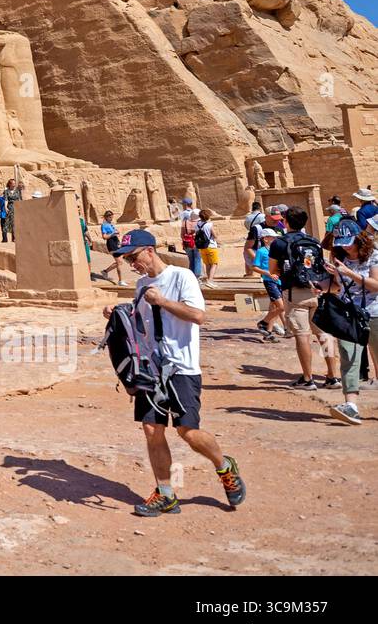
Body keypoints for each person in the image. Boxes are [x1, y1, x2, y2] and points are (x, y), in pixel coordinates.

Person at [104, 228, 247, 516]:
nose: (132, 265)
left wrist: (163, 301)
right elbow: (142, 325)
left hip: (182, 367)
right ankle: (166, 494)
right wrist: (120, 313)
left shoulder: (182, 277)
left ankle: (224, 466)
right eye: (128, 260)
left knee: (188, 432)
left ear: (149, 251)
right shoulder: (142, 285)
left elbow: (198, 316)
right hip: (151, 369)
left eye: (134, 258)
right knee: (151, 430)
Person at [268, 205, 340, 390]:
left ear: (285, 222)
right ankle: (332, 376)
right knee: (324, 334)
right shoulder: (313, 241)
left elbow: (272, 270)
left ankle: (308, 378)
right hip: (318, 290)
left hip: (295, 292)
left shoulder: (279, 243)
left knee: (302, 335)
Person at [318, 219, 378, 425]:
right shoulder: (338, 257)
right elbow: (337, 287)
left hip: (374, 313)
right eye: (341, 242)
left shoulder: (374, 255)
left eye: (349, 242)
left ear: (359, 239)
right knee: (349, 358)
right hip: (348, 315)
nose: (345, 246)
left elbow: (375, 286)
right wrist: (323, 281)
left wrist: (348, 273)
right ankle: (351, 405)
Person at [251, 230, 286, 342]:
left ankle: (268, 333)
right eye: (273, 238)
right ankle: (263, 323)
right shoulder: (261, 251)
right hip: (270, 281)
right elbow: (254, 267)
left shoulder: (276, 251)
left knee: (274, 308)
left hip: (279, 281)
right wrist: (268, 274)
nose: (275, 239)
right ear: (265, 239)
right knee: (281, 307)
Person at [195, 208, 219, 286]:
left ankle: (209, 279)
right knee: (214, 264)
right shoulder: (209, 225)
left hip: (202, 247)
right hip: (211, 246)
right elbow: (215, 236)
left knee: (207, 264)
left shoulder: (197, 225)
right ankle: (210, 280)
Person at [100, 211, 124, 285]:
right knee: (119, 262)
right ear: (106, 217)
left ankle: (105, 271)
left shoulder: (111, 224)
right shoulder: (104, 225)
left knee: (119, 262)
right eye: (110, 217)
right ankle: (120, 281)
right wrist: (112, 234)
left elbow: (113, 234)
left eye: (112, 217)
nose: (111, 218)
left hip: (115, 242)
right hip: (111, 243)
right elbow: (104, 237)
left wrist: (116, 235)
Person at [178, 197, 200, 277]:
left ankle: (191, 276)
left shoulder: (183, 214)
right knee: (197, 259)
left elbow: (182, 231)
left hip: (187, 239)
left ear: (185, 204)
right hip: (196, 240)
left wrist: (183, 239)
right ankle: (197, 275)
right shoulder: (197, 215)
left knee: (191, 260)